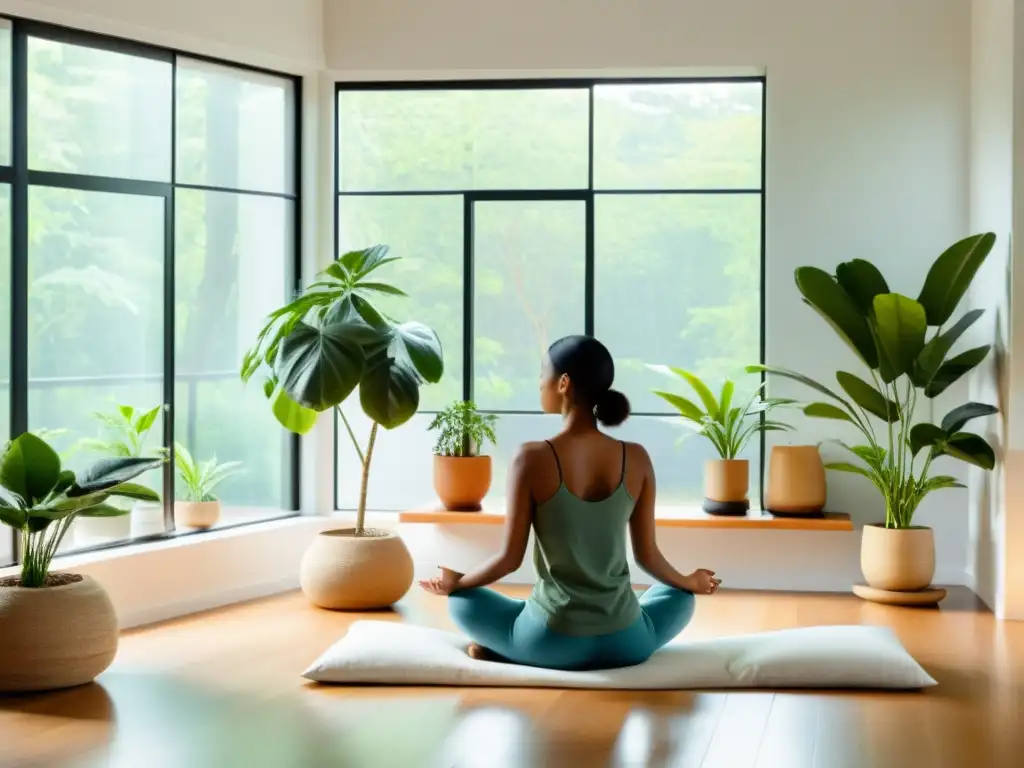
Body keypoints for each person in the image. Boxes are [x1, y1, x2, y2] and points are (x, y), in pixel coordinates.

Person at [419, 335, 721, 671]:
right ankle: (534, 644)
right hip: (627, 642)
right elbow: (647, 557)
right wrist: (689, 580)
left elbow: (509, 560)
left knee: (462, 602)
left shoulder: (530, 458)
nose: (538, 383)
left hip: (551, 640)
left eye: (542, 374)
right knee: (679, 596)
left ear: (563, 383)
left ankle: (515, 650)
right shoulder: (636, 457)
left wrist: (457, 584)